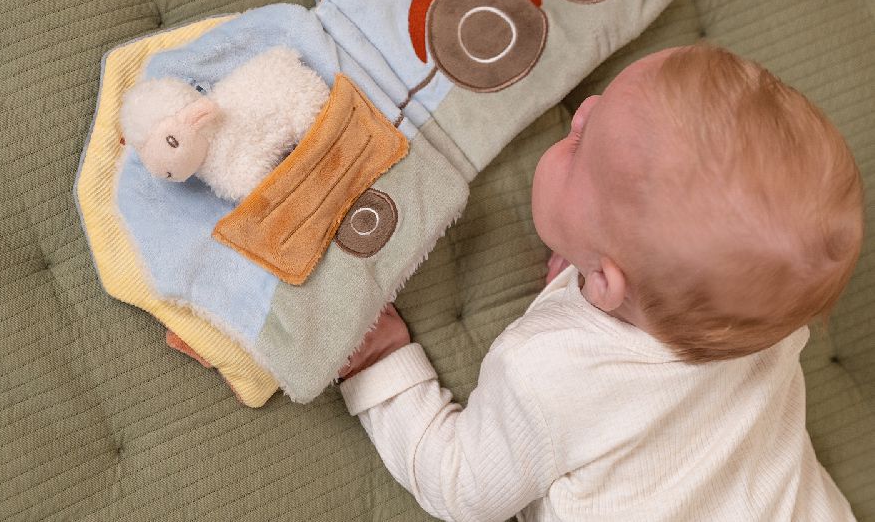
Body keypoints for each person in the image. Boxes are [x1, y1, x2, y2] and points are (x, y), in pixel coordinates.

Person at [337, 44, 864, 521]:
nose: (583, 109)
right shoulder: (770, 322)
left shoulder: (549, 369)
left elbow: (459, 485)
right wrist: (592, 266)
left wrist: (383, 367)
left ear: (611, 284)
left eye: (579, 143)